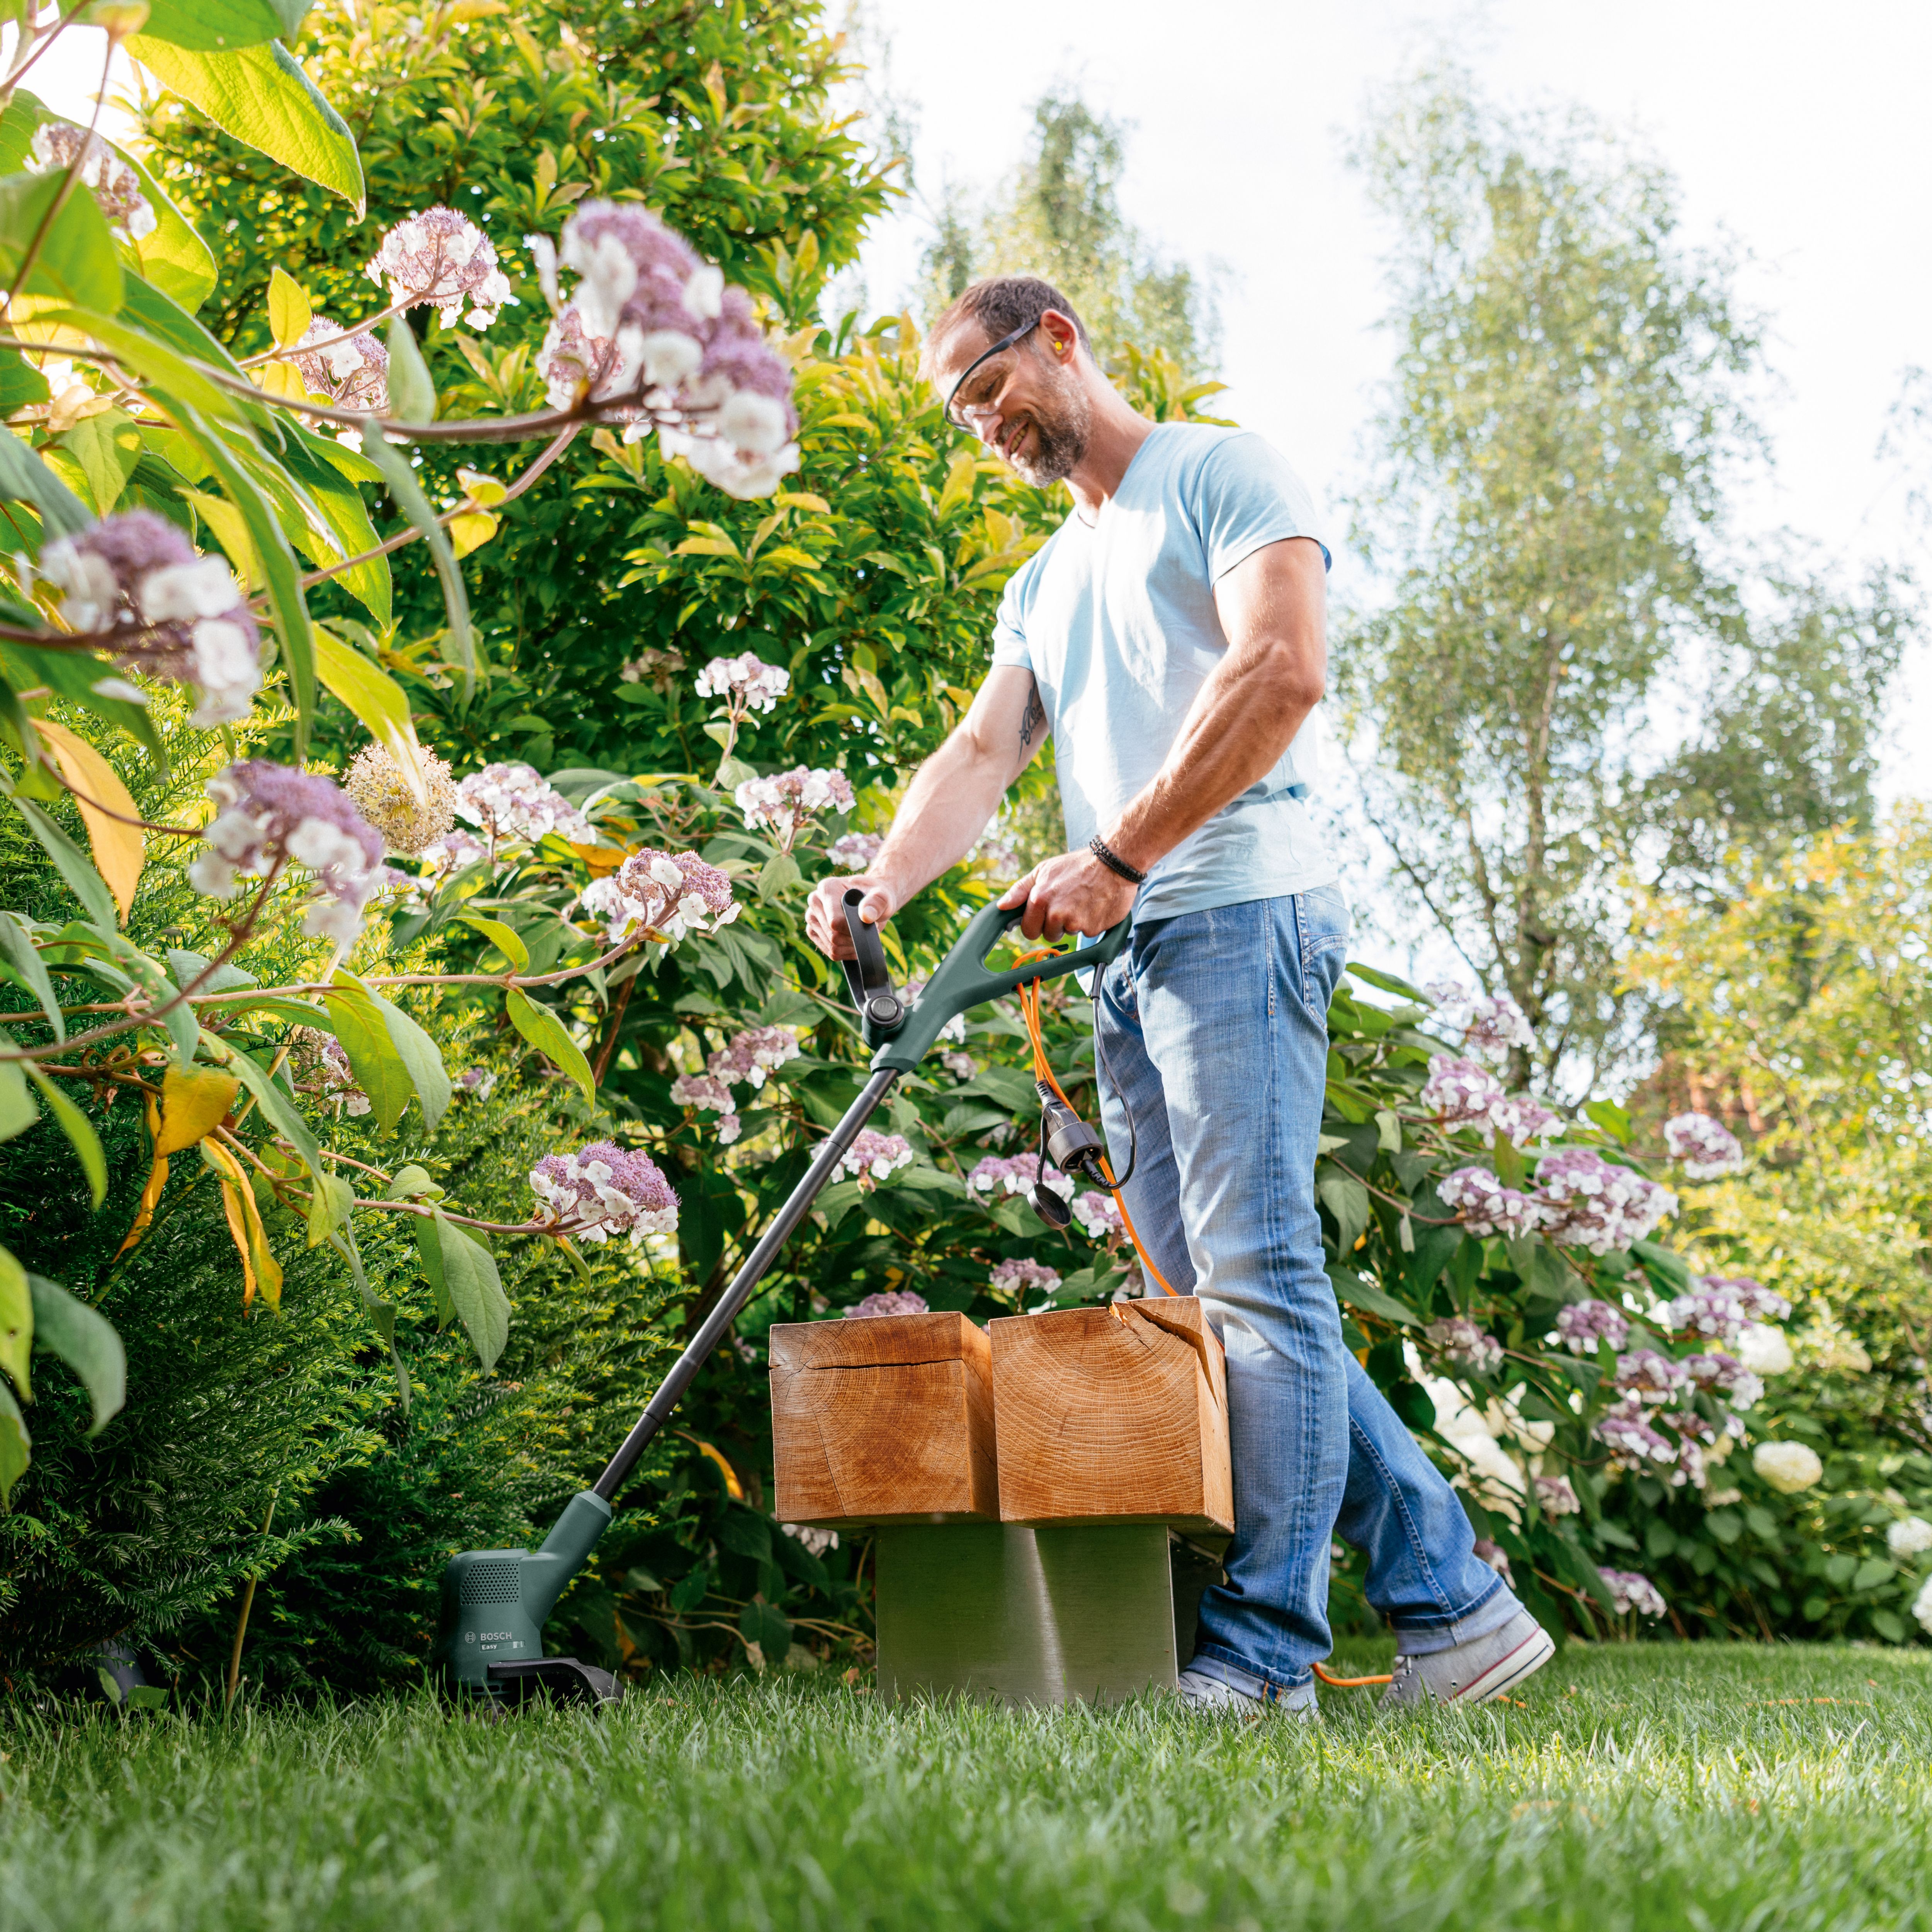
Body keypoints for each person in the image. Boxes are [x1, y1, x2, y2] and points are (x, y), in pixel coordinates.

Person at [804, 276, 1553, 1713]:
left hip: (1234, 912)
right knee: (1223, 1302)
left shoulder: (1222, 470)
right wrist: (881, 887)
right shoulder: (1048, 577)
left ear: (1060, 340)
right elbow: (979, 753)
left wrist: (1120, 853)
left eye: (989, 388)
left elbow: (1282, 670)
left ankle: (1271, 1651)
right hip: (1127, 949)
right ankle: (1455, 1605)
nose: (984, 426)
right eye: (961, 412)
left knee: (1262, 1284)